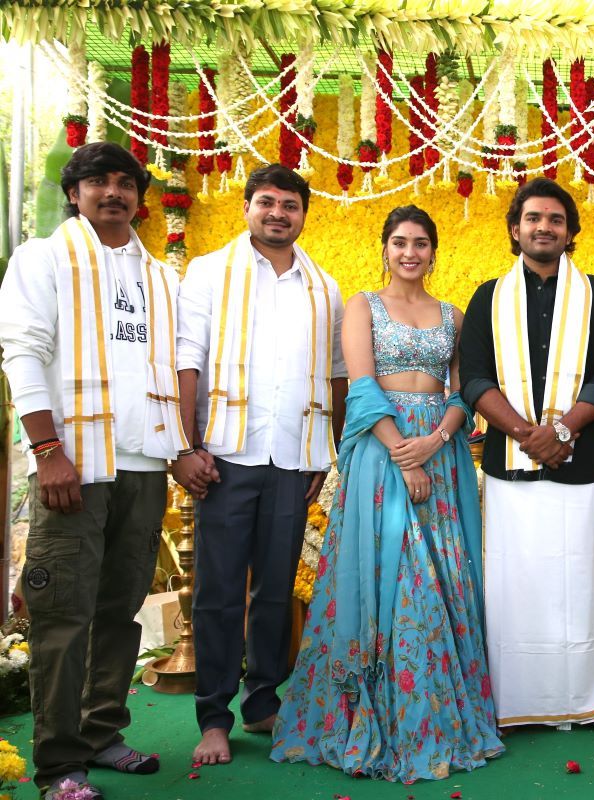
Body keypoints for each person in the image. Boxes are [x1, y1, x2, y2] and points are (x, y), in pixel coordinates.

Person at [269, 206, 502, 780]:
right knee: (399, 577)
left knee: (443, 575)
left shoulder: (451, 314)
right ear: (385, 249)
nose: (410, 252)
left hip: (441, 453)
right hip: (383, 450)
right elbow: (362, 386)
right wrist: (405, 453)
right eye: (400, 242)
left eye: (420, 243)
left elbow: (462, 391)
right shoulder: (363, 306)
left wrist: (436, 441)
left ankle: (439, 717)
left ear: (433, 252)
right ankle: (381, 717)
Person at [0, 141, 188, 798]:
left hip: (143, 465)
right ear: (74, 193)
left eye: (126, 183)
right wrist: (47, 451)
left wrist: (182, 448)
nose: (114, 192)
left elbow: (174, 368)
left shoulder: (161, 277)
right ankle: (59, 764)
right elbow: (23, 353)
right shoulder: (42, 259)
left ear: (140, 197)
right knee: (63, 614)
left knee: (119, 609)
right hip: (72, 466)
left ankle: (102, 732)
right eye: (99, 181)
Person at [175, 164, 348, 765]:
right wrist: (186, 445)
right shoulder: (209, 272)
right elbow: (187, 359)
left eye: (290, 205)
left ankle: (262, 702)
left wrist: (326, 450)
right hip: (225, 454)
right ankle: (214, 718)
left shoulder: (323, 287)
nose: (278, 213)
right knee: (220, 592)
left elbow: (336, 375)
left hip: (294, 458)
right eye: (267, 202)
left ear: (304, 215)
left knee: (276, 590)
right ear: (246, 207)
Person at [459, 178, 594, 739]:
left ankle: (593, 703)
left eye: (556, 220)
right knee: (514, 586)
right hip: (510, 465)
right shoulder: (488, 297)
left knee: (581, 582)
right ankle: (513, 702)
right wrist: (526, 434)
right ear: (516, 229)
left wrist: (561, 429)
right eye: (533, 218)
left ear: (570, 232)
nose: (544, 227)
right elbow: (475, 378)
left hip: (579, 464)